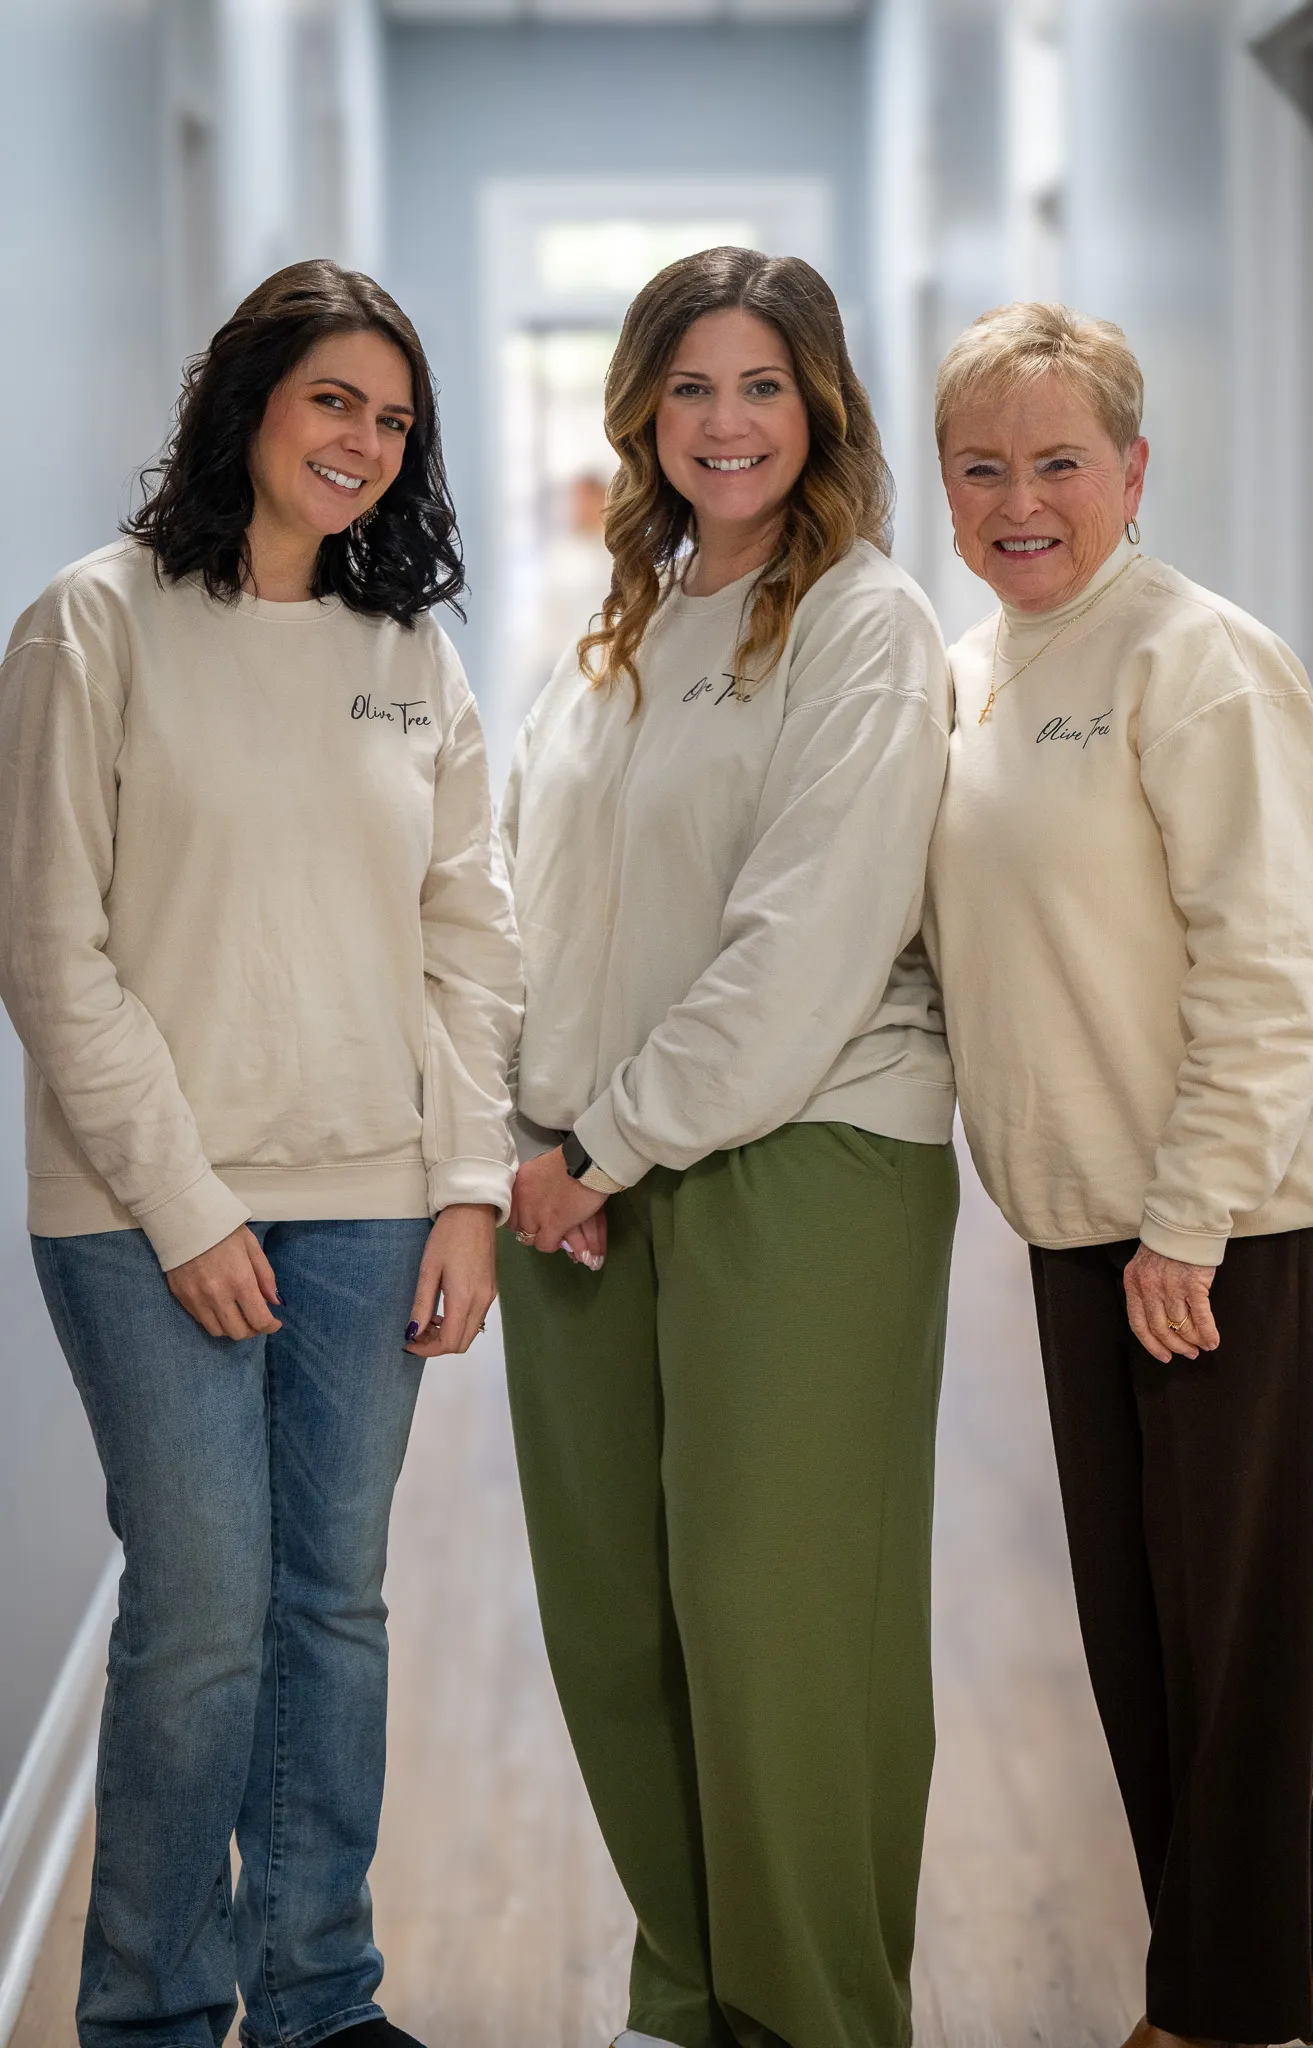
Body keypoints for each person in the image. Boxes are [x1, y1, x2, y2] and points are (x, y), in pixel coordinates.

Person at [0, 260, 521, 2048]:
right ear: (249, 403)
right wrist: (190, 1204)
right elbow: (50, 948)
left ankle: (318, 1993)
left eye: (393, 419)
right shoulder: (96, 622)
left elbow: (473, 940)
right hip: (147, 1212)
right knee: (207, 1613)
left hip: (375, 1202)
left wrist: (467, 1186)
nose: (364, 444)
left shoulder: (408, 658)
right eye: (332, 403)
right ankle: (148, 2012)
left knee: (335, 1610)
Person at [496, 244, 957, 2048]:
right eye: (691, 386)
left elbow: (807, 943)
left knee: (778, 1627)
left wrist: (602, 1143)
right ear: (645, 414)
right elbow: (531, 894)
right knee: (618, 1618)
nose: (726, 420)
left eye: (761, 384)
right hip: (590, 1169)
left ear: (820, 402)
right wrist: (543, 1140)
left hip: (804, 1153)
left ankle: (821, 2012)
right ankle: (689, 1990)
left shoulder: (866, 622)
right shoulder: (617, 624)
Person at [924, 299, 1313, 2048]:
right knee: (1144, 1639)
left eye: (1058, 463)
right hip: (1077, 1225)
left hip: (1227, 1229)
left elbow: (1274, 973)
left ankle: (1219, 2010)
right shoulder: (969, 673)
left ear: (1132, 470)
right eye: (982, 467)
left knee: (1237, 1649)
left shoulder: (1202, 660)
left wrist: (1185, 1225)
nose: (1019, 499)